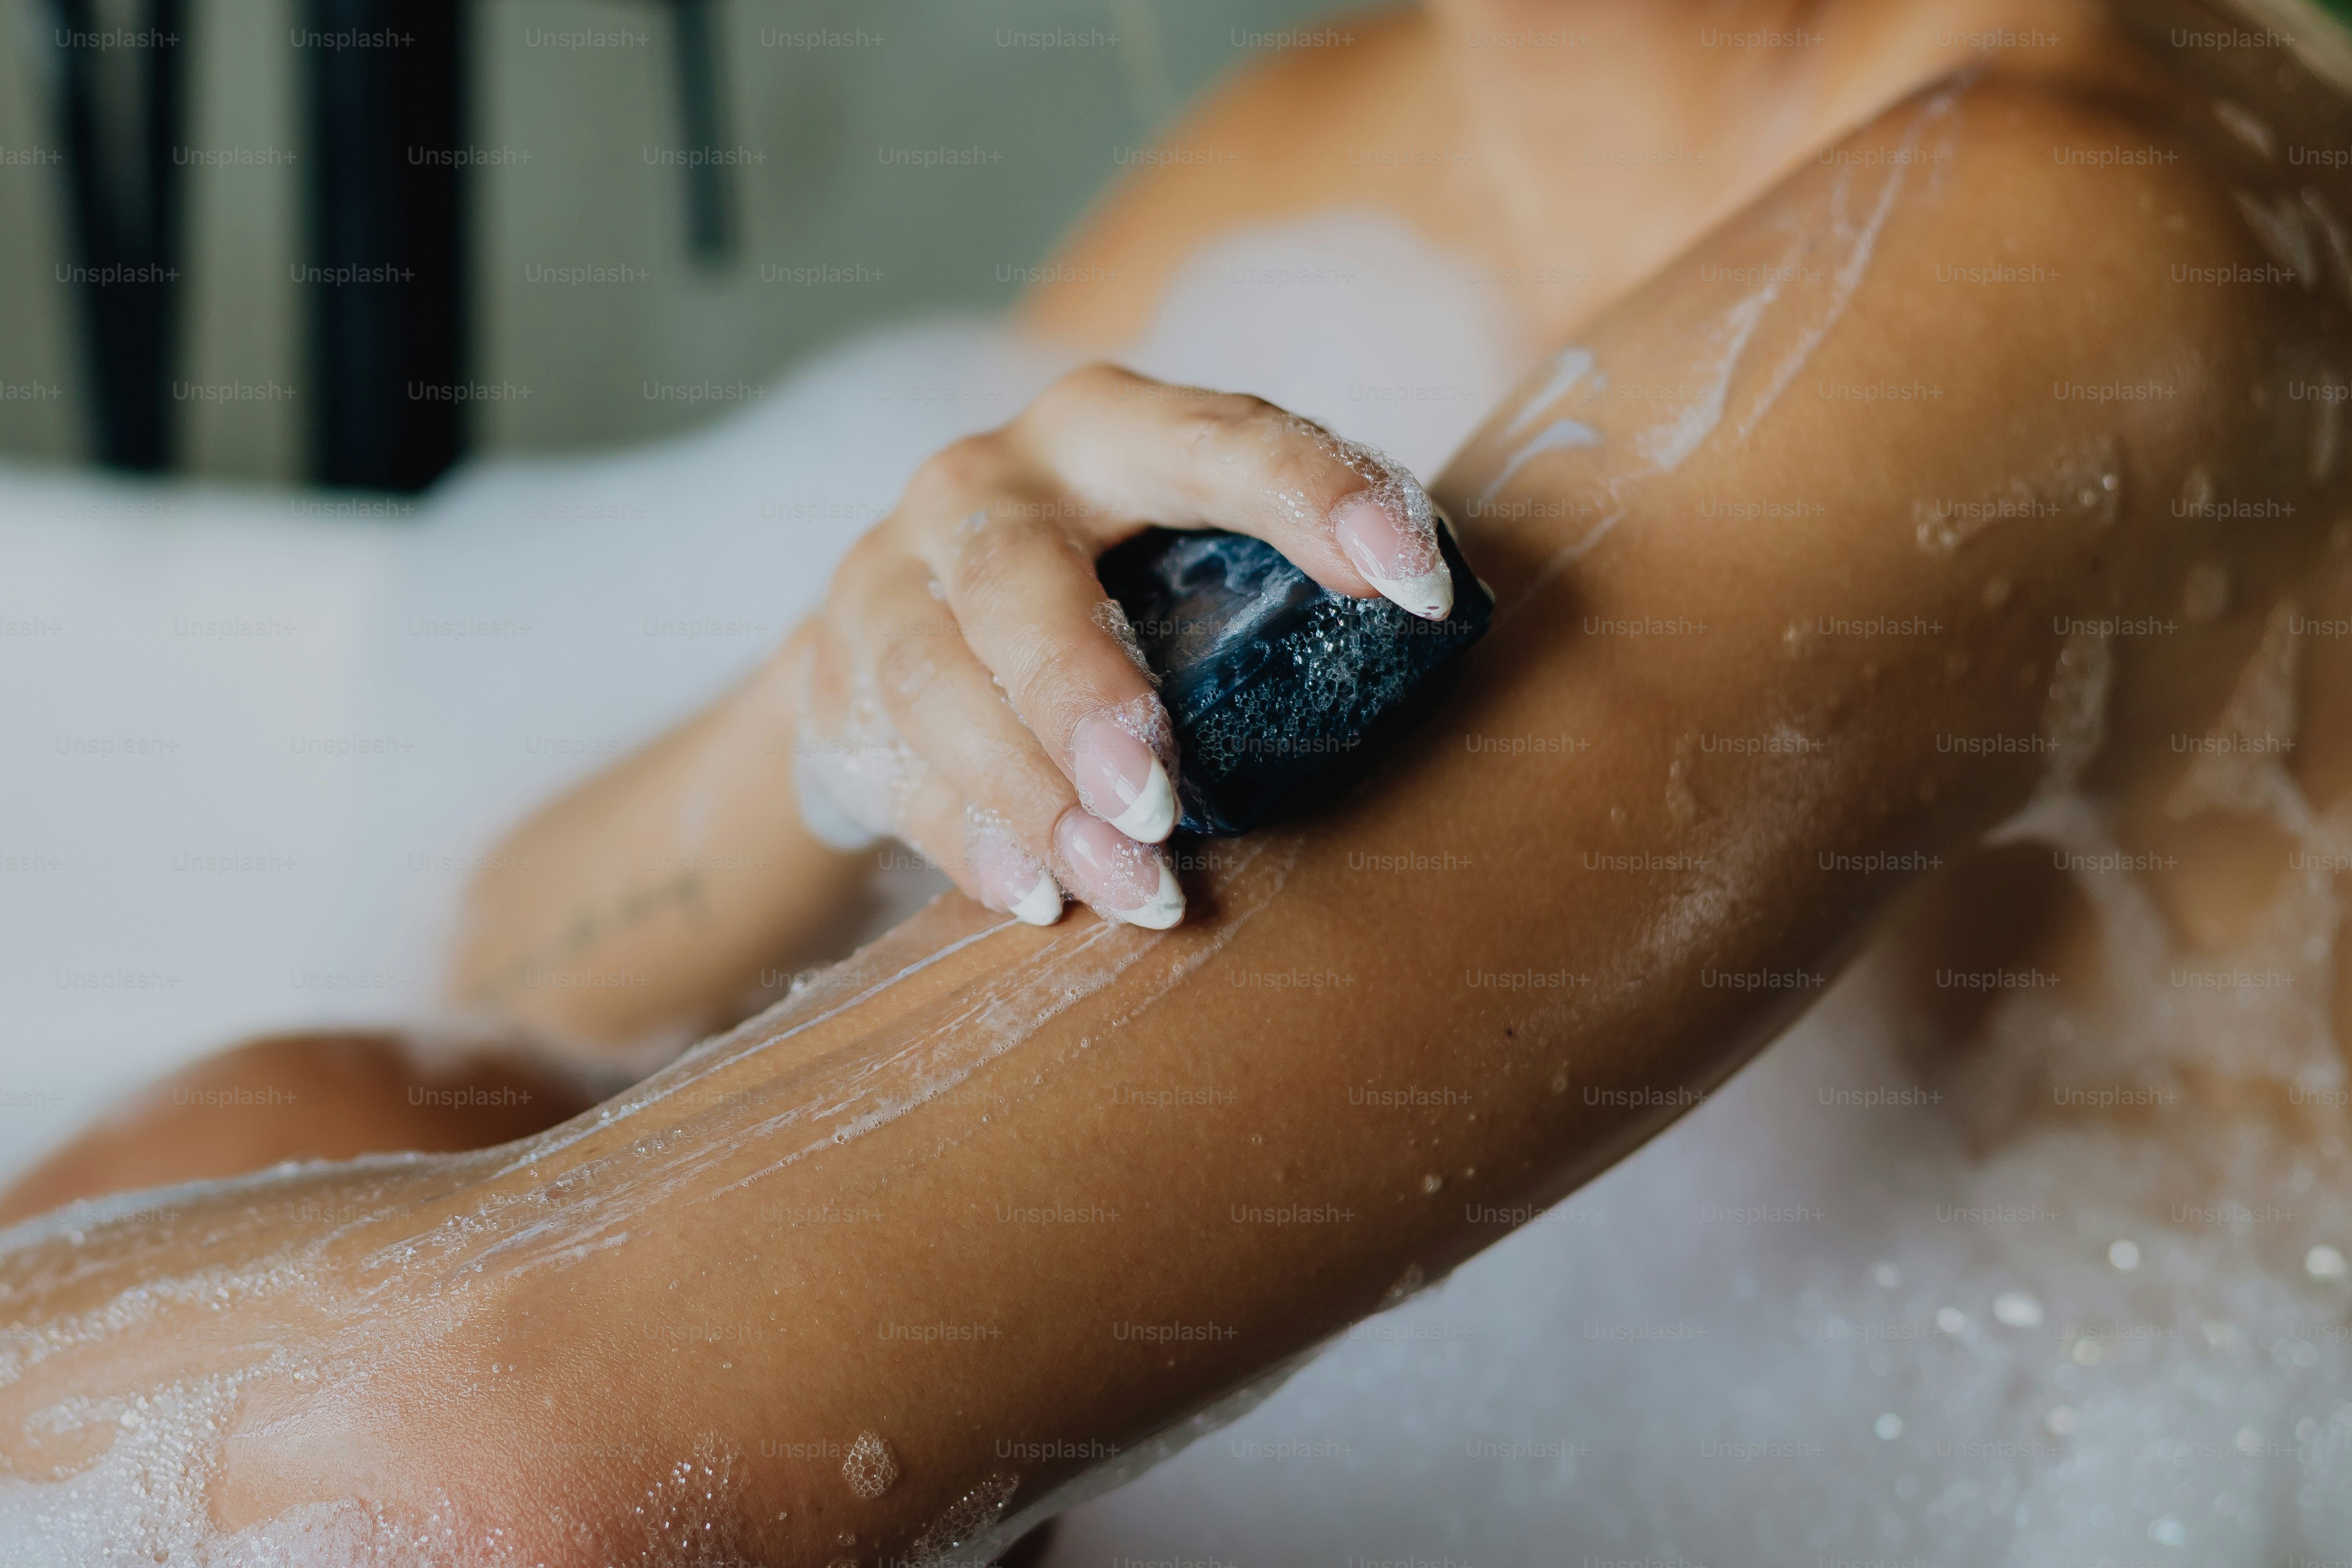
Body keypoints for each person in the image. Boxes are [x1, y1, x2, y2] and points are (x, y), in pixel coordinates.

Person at [4, 0, 2346, 1561]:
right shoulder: (1341, 153)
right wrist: (818, 715)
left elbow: (522, 1470)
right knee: (290, 1113)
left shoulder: (2078, 235)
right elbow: (488, 964)